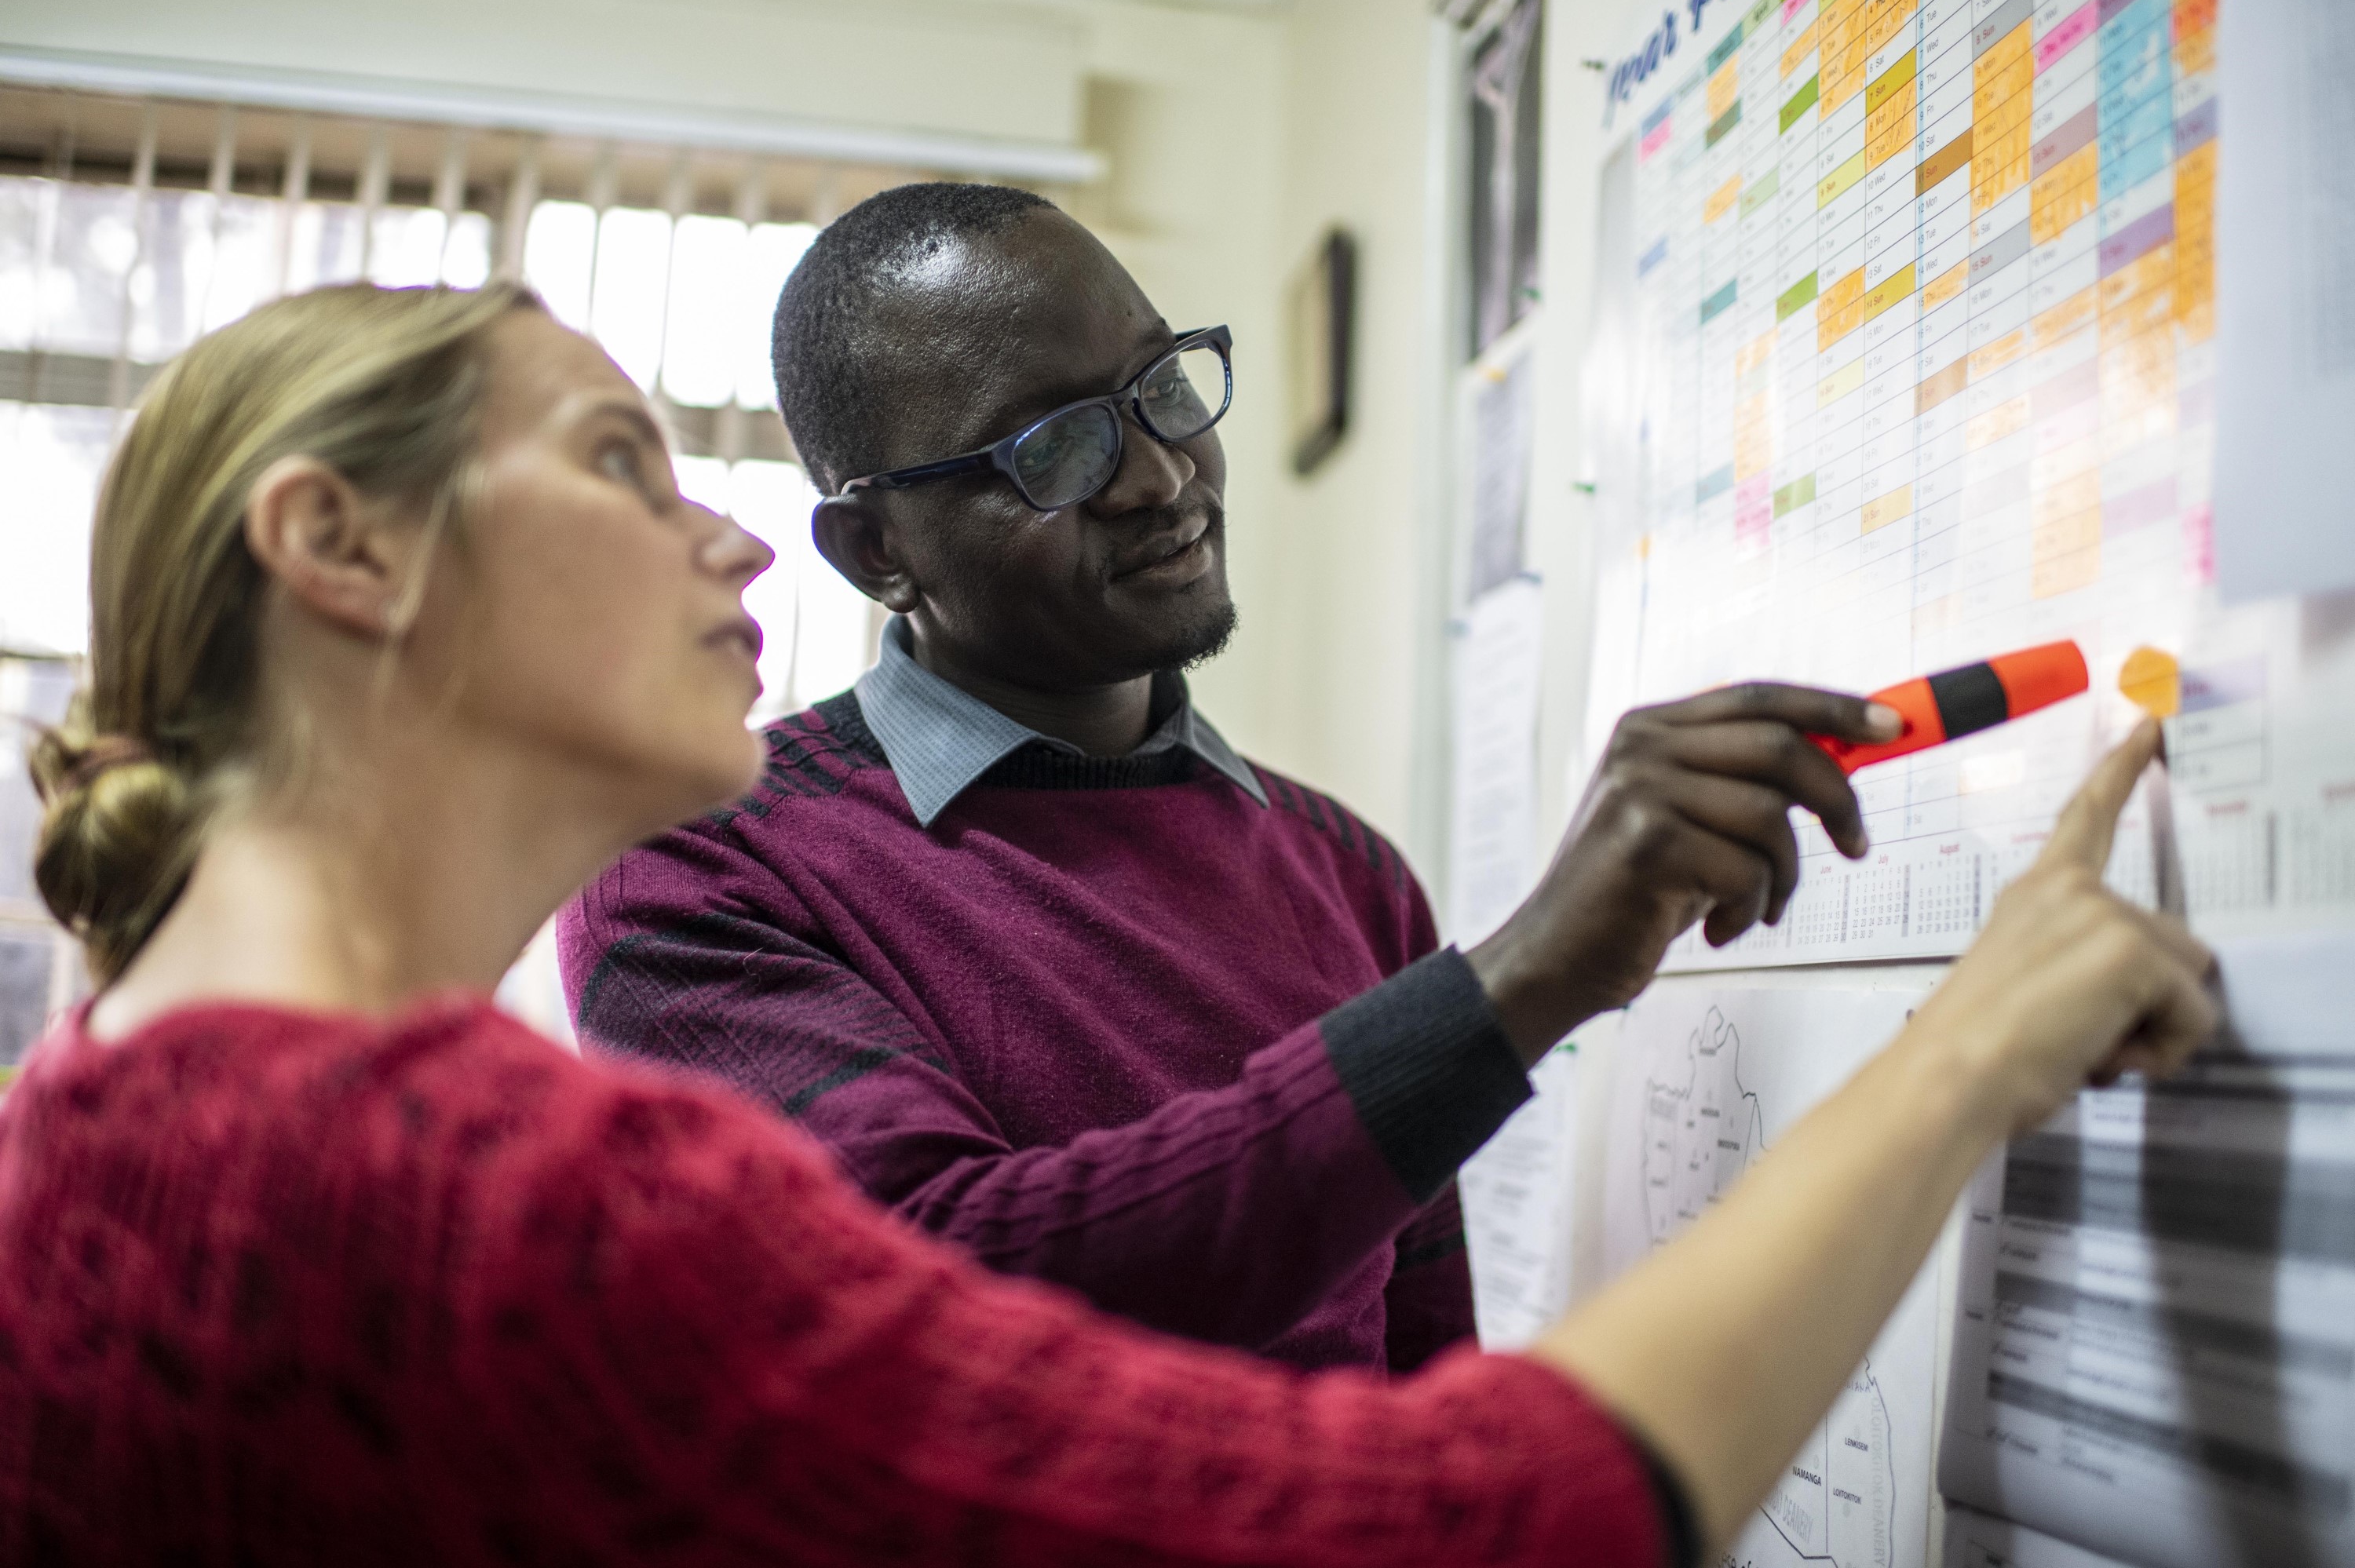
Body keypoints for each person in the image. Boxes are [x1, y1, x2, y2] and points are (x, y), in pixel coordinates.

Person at [0, 280, 2218, 1566]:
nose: (729, 554)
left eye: (1168, 391)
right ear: (340, 550)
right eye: (616, 466)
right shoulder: (489, 1176)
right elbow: (1464, 1511)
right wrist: (1966, 1046)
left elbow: (1413, 1348)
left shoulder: (92, 1122)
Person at [560, 183, 1919, 1370]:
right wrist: (1520, 982)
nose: (1161, 476)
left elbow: (1418, 1373)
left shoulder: (1345, 870)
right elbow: (944, 1302)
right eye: (1053, 450)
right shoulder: (701, 860)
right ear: (876, 555)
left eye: (1160, 386)